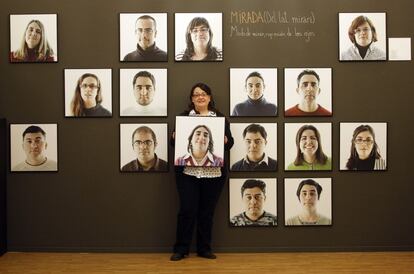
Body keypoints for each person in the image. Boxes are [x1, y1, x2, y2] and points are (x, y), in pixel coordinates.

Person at [170, 83, 233, 261]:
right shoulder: (183, 118)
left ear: (209, 97)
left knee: (207, 212)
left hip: (213, 174)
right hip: (187, 173)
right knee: (187, 210)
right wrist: (174, 137)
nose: (200, 97)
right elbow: (175, 144)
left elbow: (230, 144)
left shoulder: (219, 118)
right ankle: (181, 249)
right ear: (192, 99)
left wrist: (226, 140)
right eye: (196, 94)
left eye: (203, 94)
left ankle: (204, 249)